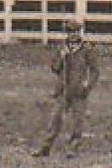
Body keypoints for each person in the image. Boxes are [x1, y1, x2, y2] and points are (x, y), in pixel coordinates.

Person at [33, 17, 100, 158]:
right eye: (70, 31)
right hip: (63, 90)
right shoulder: (62, 48)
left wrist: (87, 85)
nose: (73, 34)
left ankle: (73, 149)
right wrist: (61, 57)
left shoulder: (87, 49)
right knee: (55, 119)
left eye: (76, 31)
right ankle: (45, 147)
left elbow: (94, 71)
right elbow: (55, 68)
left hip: (79, 91)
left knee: (78, 122)